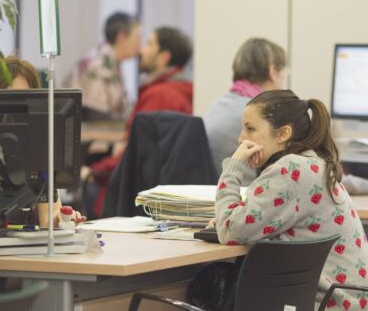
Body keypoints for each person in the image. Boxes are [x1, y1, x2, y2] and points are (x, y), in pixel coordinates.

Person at [213, 90, 368, 310]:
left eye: (251, 129)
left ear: (283, 133)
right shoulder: (311, 163)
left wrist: (233, 167)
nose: (241, 139)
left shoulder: (289, 170)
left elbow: (230, 230)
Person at [83, 26, 194, 217]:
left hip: (135, 198)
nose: (141, 50)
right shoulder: (182, 90)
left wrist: (93, 172)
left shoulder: (159, 96)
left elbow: (133, 155)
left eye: (150, 44)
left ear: (163, 57)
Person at [0, 56, 85, 228]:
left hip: (24, 253)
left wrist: (60, 221)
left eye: (22, 100)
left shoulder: (39, 152)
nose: (13, 110)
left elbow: (50, 218)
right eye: (6, 98)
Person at [203, 38, 287, 183]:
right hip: (243, 195)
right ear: (273, 72)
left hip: (217, 193)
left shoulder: (219, 104)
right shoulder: (261, 115)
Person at [63, 12, 141, 119]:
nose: (140, 45)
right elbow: (94, 116)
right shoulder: (98, 65)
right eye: (137, 38)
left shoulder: (110, 60)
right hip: (90, 132)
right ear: (122, 37)